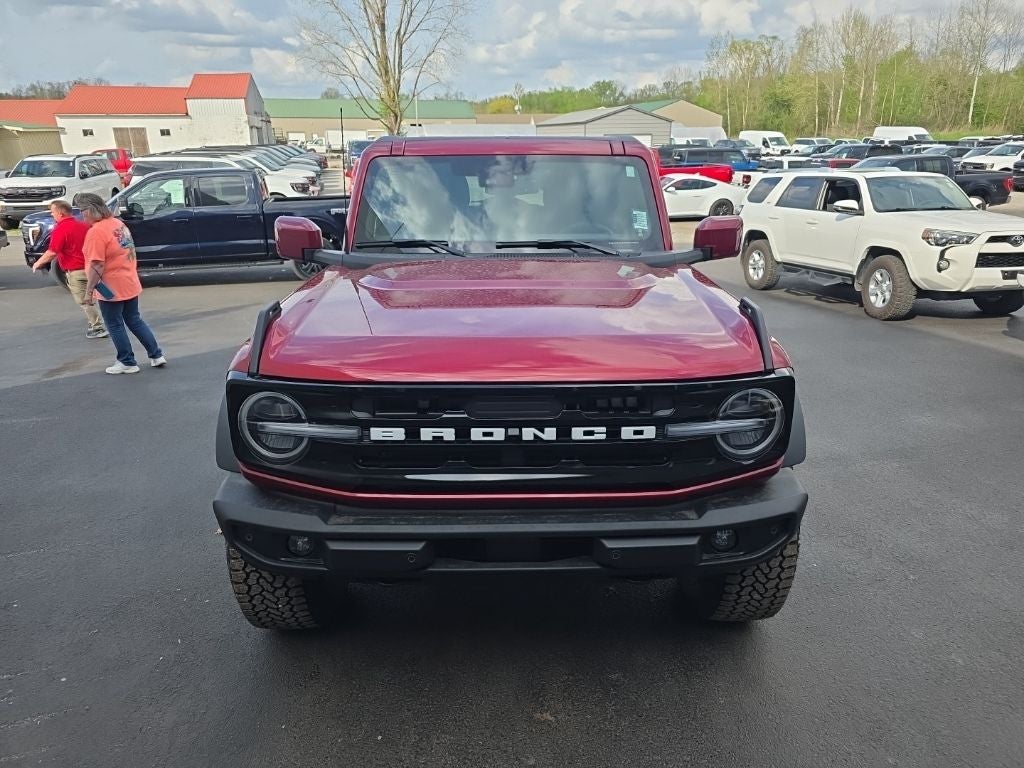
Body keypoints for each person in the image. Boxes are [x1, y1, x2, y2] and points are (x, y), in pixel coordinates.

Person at [77, 193, 166, 375]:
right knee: (134, 319)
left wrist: (88, 291)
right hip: (129, 280)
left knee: (115, 323)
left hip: (111, 286)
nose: (81, 216)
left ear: (91, 210)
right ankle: (156, 354)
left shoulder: (96, 232)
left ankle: (126, 361)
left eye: (82, 211)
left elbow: (97, 264)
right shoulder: (118, 224)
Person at [31, 200, 108, 339]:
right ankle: (109, 318)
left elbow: (52, 252)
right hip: (93, 268)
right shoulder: (84, 226)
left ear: (60, 213)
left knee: (84, 300)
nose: (52, 215)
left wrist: (38, 263)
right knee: (103, 294)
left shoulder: (60, 229)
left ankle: (97, 327)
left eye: (53, 212)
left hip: (76, 272)